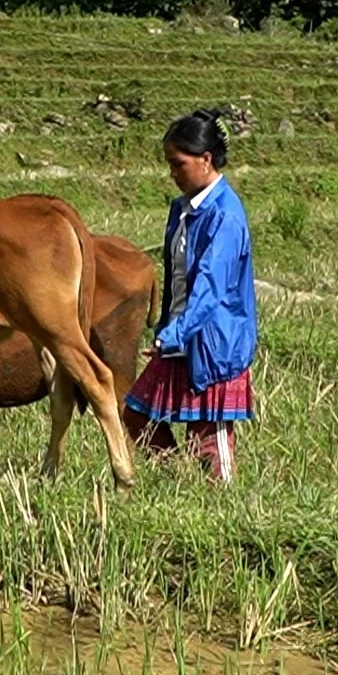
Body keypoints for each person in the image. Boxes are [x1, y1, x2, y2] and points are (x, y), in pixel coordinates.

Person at [122, 110, 258, 482]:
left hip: (213, 343)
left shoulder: (225, 216)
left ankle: (224, 511)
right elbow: (179, 279)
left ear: (205, 160)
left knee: (209, 440)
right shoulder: (183, 210)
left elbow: (211, 287)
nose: (172, 172)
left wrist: (172, 334)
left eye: (178, 163)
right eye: (169, 163)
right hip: (181, 336)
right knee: (136, 414)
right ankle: (180, 480)